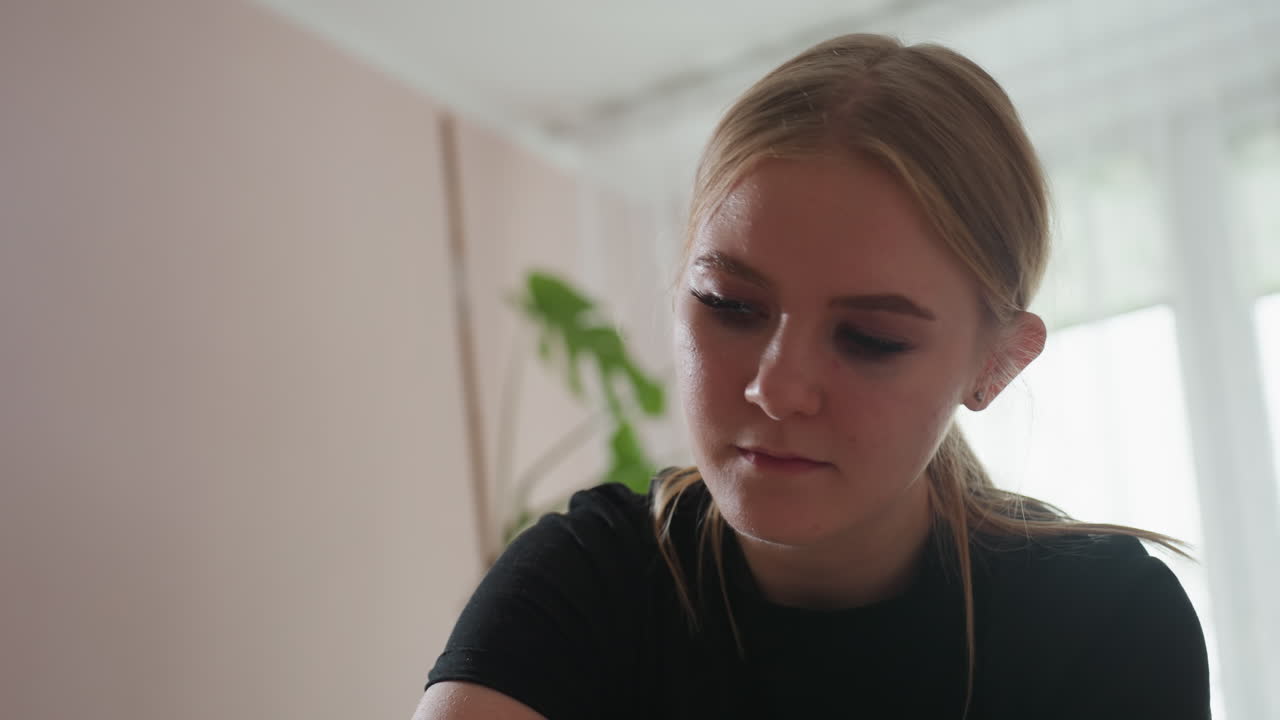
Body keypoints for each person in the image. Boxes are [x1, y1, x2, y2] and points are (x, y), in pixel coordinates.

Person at [414, 33, 1210, 719]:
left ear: (995, 364)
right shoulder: (582, 588)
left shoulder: (1107, 622)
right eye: (729, 305)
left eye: (869, 338)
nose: (778, 388)